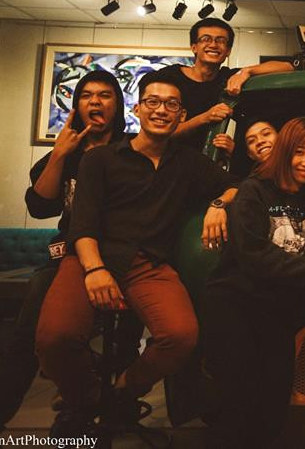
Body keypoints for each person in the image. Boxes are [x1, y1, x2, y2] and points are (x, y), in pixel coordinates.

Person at [35, 71, 238, 438]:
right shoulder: (100, 159)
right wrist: (95, 270)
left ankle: (122, 393)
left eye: (171, 104)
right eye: (153, 102)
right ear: (138, 109)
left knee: (181, 336)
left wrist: (219, 204)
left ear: (181, 115)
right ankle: (86, 399)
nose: (161, 110)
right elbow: (82, 225)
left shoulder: (189, 162)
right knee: (54, 339)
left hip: (148, 264)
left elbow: (239, 185)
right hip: (90, 258)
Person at [0, 72, 135, 436]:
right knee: (30, 332)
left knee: (125, 333)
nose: (95, 102)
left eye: (105, 95)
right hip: (69, 255)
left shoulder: (132, 150)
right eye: (86, 95)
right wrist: (60, 154)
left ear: (118, 104)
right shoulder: (65, 152)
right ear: (76, 105)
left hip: (122, 256)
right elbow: (40, 207)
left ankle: (104, 406)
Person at [201, 117, 305, 449]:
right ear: (284, 150)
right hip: (235, 304)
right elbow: (253, 255)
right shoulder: (254, 190)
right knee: (236, 401)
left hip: (278, 311)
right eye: (299, 152)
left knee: (273, 402)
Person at [159, 18, 294, 153]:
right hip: (167, 159)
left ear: (228, 51)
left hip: (207, 163)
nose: (213, 45)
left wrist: (247, 71)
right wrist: (204, 118)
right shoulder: (169, 78)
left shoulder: (228, 78)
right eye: (206, 39)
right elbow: (160, 133)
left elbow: (287, 67)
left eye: (221, 41)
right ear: (194, 47)